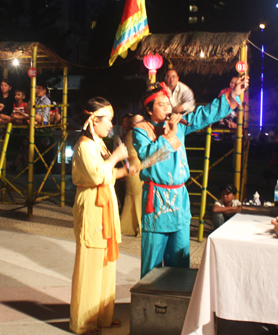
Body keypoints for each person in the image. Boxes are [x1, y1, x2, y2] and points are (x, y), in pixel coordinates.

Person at [132, 77, 248, 278]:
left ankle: (179, 305)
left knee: (180, 261)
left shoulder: (181, 124)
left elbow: (204, 115)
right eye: (161, 104)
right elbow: (148, 157)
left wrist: (233, 94)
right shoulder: (141, 130)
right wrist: (170, 135)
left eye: (169, 103)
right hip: (157, 200)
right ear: (149, 110)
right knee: (152, 265)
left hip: (180, 199)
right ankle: (149, 305)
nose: (168, 108)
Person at [70, 97, 136, 335]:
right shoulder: (84, 145)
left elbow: (106, 174)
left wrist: (125, 171)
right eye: (107, 120)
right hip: (91, 205)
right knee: (90, 265)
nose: (111, 125)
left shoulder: (98, 143)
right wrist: (116, 158)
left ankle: (103, 316)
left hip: (105, 204)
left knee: (106, 263)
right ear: (92, 120)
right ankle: (83, 322)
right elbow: (97, 175)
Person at [120, 114, 144, 237]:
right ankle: (139, 227)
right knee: (137, 197)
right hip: (136, 166)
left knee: (133, 198)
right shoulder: (135, 133)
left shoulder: (132, 133)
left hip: (133, 166)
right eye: (135, 121)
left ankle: (130, 226)